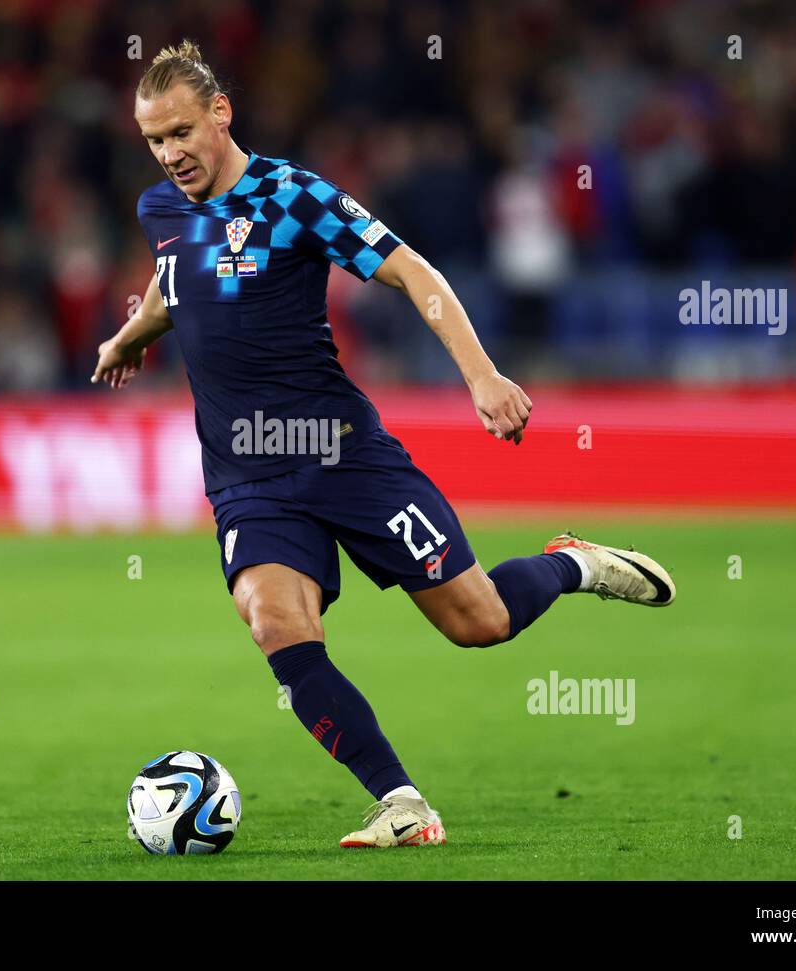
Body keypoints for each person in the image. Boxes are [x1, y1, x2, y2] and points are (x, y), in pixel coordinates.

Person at [93, 42, 675, 848]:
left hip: (341, 455)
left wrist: (481, 377)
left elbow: (413, 273)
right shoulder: (161, 209)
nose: (171, 154)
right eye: (155, 140)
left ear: (220, 113)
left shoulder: (295, 196)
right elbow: (176, 281)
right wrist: (131, 337)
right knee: (275, 624)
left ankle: (573, 563)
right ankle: (400, 800)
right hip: (245, 475)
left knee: (480, 621)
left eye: (182, 132)